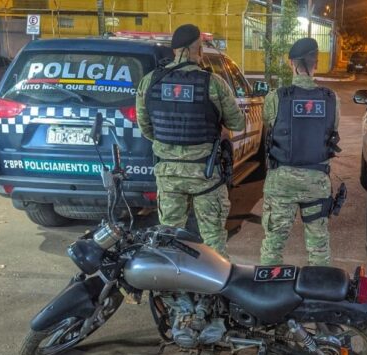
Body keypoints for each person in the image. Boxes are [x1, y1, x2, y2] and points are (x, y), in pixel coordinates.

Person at [136, 24, 245, 259]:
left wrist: (171, 145)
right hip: (205, 174)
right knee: (213, 239)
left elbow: (146, 128)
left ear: (174, 50)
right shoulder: (213, 83)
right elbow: (238, 123)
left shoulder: (150, 82)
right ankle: (214, 281)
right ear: (200, 49)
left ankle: (171, 281)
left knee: (168, 237)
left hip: (168, 175)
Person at [260, 38, 342, 267]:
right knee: (319, 248)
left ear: (291, 63)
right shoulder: (332, 99)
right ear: (317, 63)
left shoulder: (276, 97)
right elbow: (332, 130)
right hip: (316, 181)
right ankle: (318, 287)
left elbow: (268, 125)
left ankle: (268, 285)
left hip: (281, 182)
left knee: (273, 244)